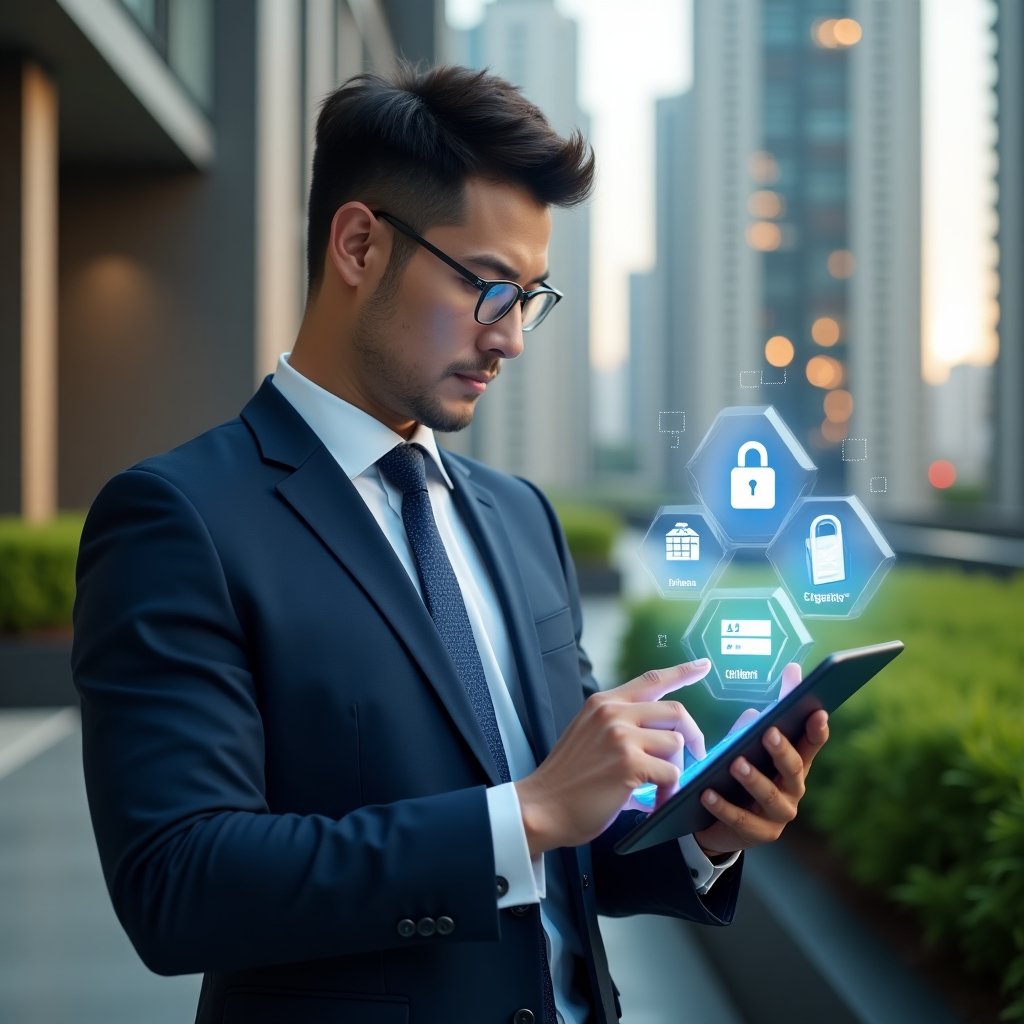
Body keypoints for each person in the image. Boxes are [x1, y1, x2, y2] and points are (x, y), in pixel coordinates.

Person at [72, 64, 830, 1024]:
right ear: (358, 244)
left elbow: (570, 842)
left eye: (531, 297)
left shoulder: (519, 517)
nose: (511, 337)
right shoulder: (178, 519)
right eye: (489, 287)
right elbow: (179, 885)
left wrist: (704, 832)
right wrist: (525, 813)